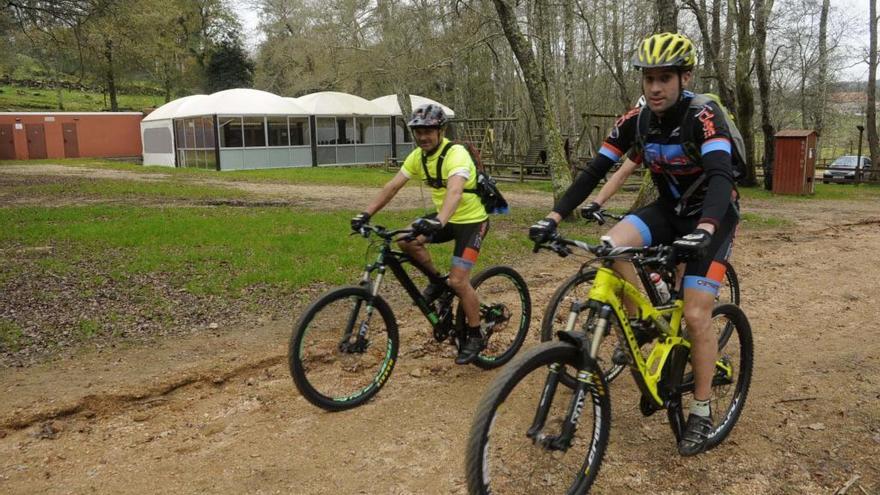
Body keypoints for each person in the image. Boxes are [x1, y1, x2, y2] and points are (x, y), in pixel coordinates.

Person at [529, 32, 739, 456]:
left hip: (714, 215)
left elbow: (721, 176)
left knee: (697, 315)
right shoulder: (636, 121)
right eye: (648, 78)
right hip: (668, 209)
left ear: (685, 77)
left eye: (665, 78)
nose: (656, 87)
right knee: (610, 244)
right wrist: (553, 216)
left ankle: (700, 410)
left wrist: (707, 229)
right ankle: (641, 320)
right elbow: (593, 172)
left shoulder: (704, 116)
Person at [351, 103, 490, 365]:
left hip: (471, 222)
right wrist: (365, 214)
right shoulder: (417, 157)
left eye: (428, 131)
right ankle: (438, 283)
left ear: (440, 130)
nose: (423, 137)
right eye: (418, 132)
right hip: (444, 219)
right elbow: (392, 187)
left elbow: (455, 192)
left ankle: (474, 333)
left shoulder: (456, 154)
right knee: (405, 239)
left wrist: (439, 221)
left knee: (459, 282)